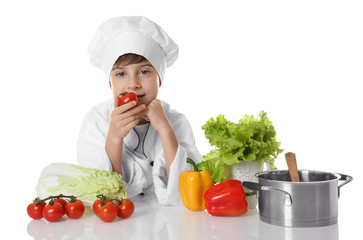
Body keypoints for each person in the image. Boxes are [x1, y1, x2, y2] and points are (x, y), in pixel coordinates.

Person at [77, 16, 203, 205]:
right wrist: (114, 138)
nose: (133, 84)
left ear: (159, 78)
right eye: (120, 74)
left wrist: (165, 130)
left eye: (144, 71)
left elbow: (190, 190)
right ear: (110, 82)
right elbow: (97, 195)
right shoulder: (96, 120)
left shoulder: (177, 122)